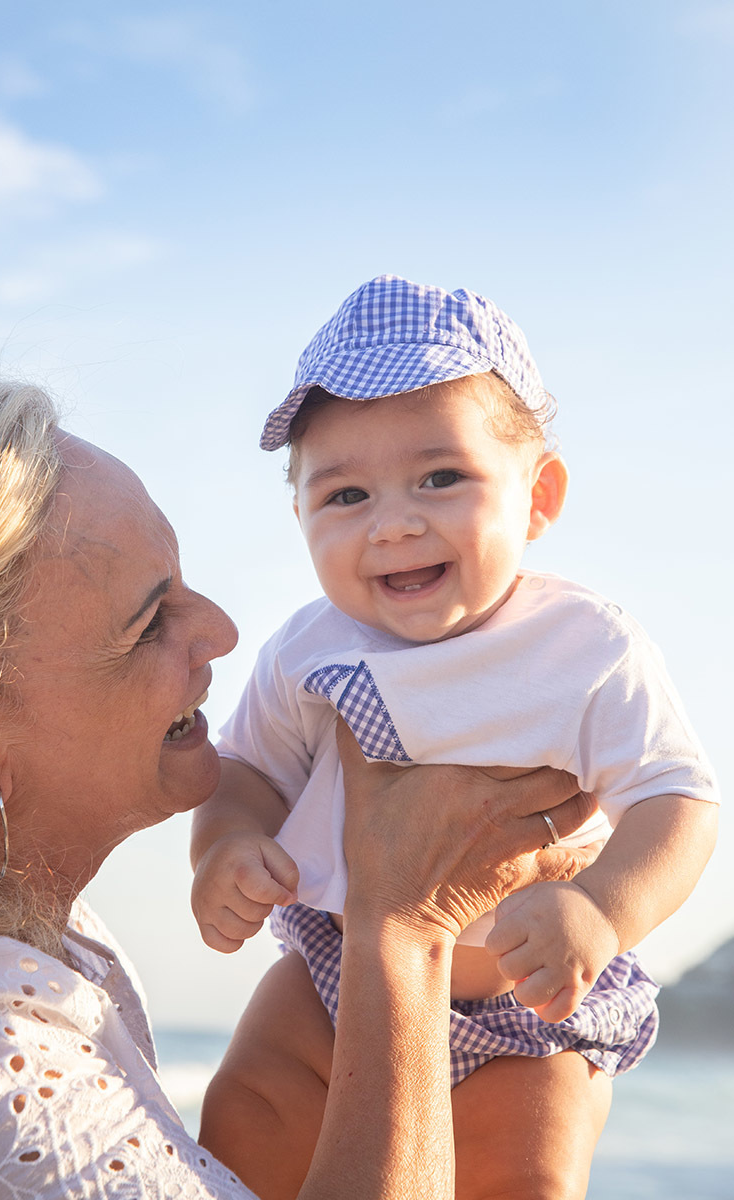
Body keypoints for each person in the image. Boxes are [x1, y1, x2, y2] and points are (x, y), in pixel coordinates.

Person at [0, 375, 600, 1199]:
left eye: (181, 581)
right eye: (149, 622)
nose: (221, 629)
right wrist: (405, 925)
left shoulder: (38, 934)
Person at [190, 276, 720, 1199]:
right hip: (337, 972)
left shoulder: (585, 647)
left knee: (531, 1176)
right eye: (346, 494)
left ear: (538, 495)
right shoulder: (308, 651)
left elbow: (679, 801)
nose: (395, 521)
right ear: (301, 520)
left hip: (533, 1009)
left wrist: (600, 907)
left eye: (442, 478)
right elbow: (245, 769)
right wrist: (226, 845)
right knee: (241, 1121)